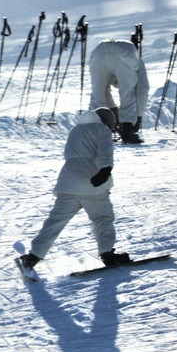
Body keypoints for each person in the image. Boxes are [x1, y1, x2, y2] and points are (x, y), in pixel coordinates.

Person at [20, 108, 131, 270]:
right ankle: (108, 254)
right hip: (92, 184)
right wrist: (105, 170)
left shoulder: (75, 130)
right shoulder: (102, 129)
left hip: (68, 184)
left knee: (55, 221)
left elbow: (70, 155)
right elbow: (105, 153)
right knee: (102, 219)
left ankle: (33, 256)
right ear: (107, 122)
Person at [87, 39, 149, 144]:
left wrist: (112, 110)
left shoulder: (131, 64)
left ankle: (94, 128)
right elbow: (142, 89)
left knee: (98, 93)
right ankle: (127, 130)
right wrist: (138, 117)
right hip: (125, 54)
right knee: (127, 93)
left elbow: (104, 93)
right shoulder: (137, 62)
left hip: (98, 52)